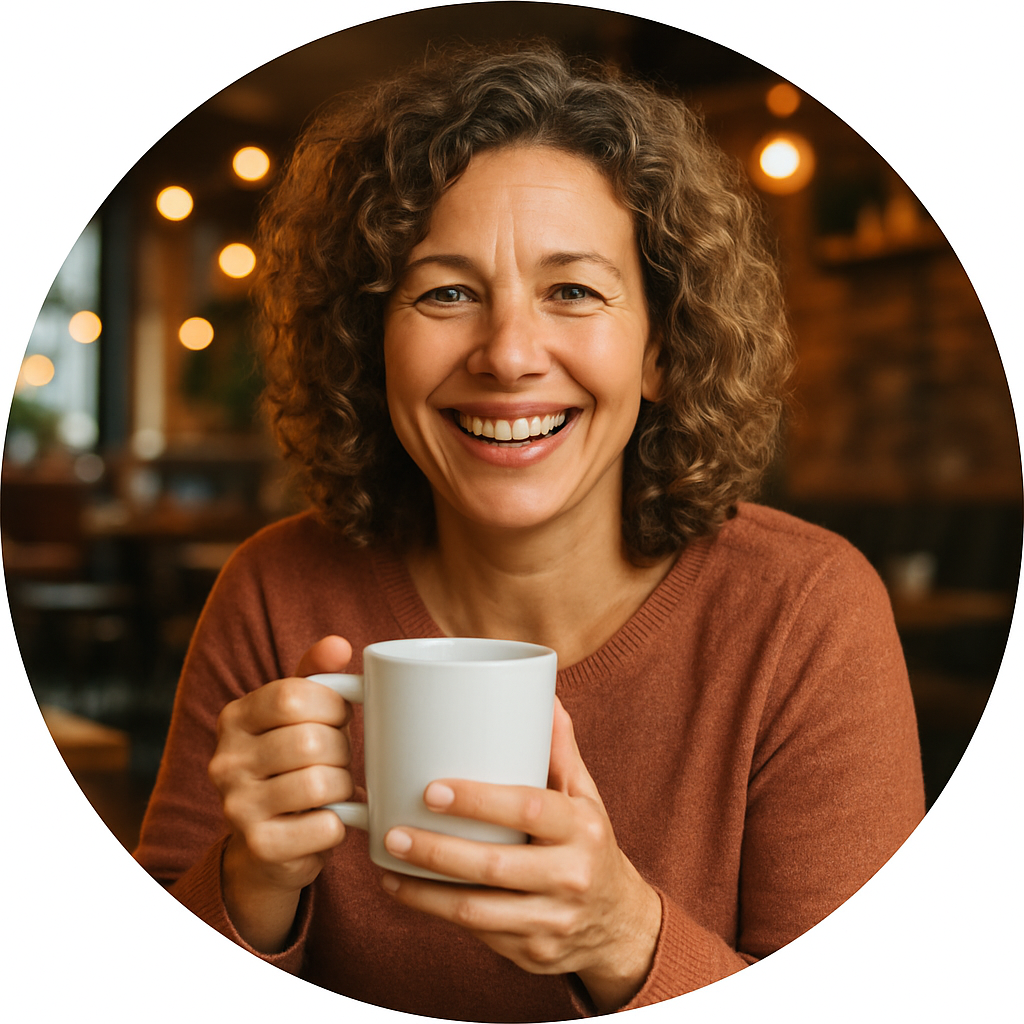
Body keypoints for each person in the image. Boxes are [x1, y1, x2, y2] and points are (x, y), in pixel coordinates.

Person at [134, 42, 924, 1020]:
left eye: (573, 291)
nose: (508, 355)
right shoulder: (276, 591)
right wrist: (249, 881)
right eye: (445, 292)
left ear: (662, 348)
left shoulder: (803, 610)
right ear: (369, 342)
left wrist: (620, 938)